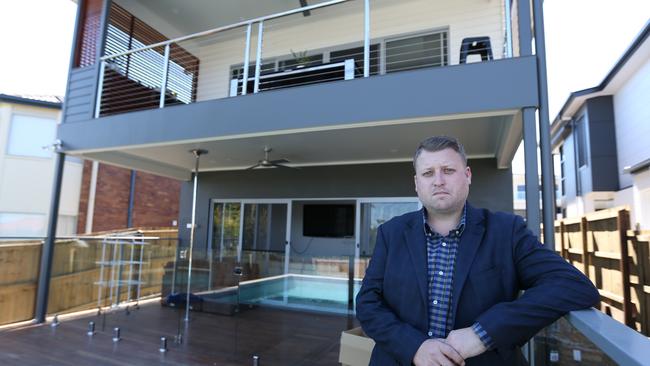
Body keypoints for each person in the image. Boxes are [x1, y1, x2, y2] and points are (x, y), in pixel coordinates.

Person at [356, 136, 599, 366]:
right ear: (417, 183)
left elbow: (574, 286)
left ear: (467, 175)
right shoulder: (392, 233)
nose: (438, 180)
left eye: (448, 170)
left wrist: (482, 333)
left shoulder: (507, 232)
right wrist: (414, 347)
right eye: (428, 173)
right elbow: (368, 303)